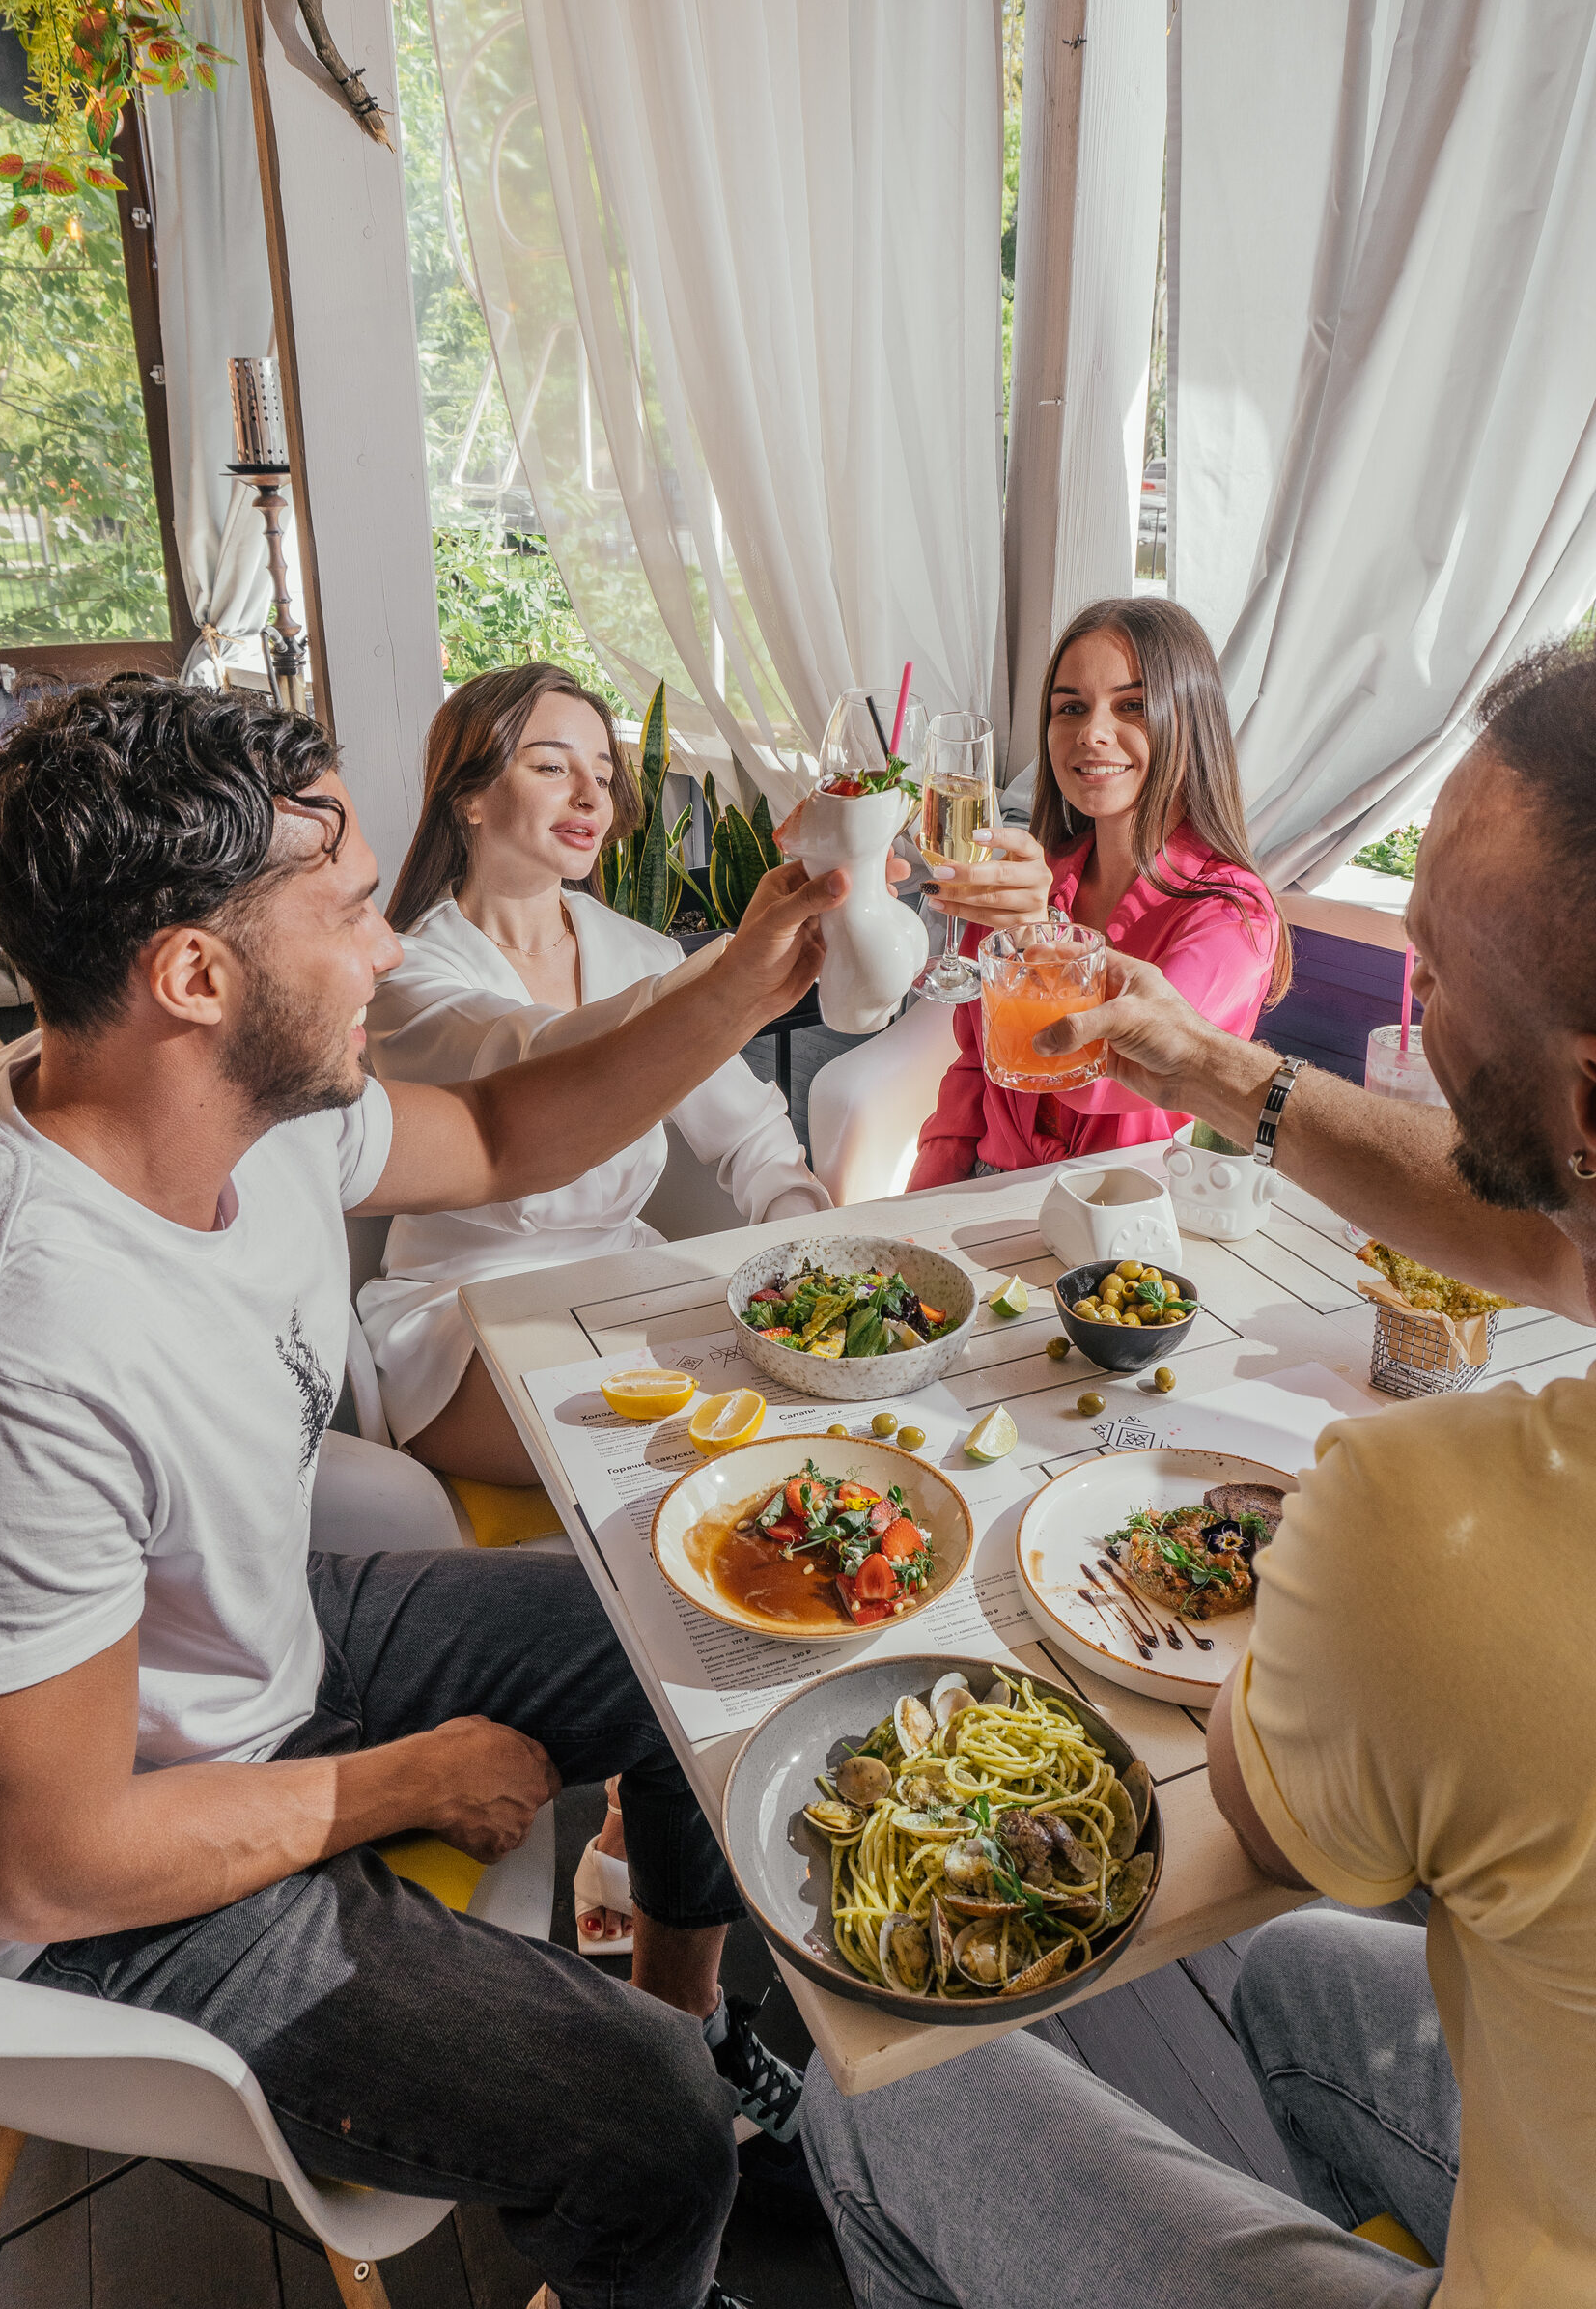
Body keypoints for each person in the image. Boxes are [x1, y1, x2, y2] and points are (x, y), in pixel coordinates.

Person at [0, 682, 848, 2309]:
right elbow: (56, 1864)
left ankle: (688, 2025)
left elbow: (509, 1128)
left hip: (251, 1664)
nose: (389, 947)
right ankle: (668, 2138)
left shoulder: (252, 1099)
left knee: (693, 1625)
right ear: (193, 973)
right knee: (653, 2136)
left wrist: (740, 979)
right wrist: (402, 1782)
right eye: (355, 907)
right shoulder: (31, 1327)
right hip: (108, 1879)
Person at [802, 634, 1596, 2305]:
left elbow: (1267, 1808)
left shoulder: (1433, 1519)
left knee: (876, 2094)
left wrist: (1308, 1632)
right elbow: (1546, 1234)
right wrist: (1205, 1066)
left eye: (1437, 973)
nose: (1412, 1003)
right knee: (1305, 1983)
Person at [359, 662, 830, 1493]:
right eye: (551, 767)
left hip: (623, 1280)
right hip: (462, 1311)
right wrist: (712, 987)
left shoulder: (641, 954)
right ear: (468, 796)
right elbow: (535, 1058)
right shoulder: (409, 979)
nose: (590, 795)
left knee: (799, 1407)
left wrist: (810, 1255)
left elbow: (750, 1134)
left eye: (604, 776)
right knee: (661, 1461)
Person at [908, 597, 1288, 1187]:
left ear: (1191, 719)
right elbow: (974, 1068)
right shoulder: (1036, 879)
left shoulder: (1232, 916)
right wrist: (916, 1216)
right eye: (1071, 708)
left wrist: (1039, 936)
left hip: (1125, 1223)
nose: (1092, 733)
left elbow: (1098, 1078)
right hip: (987, 1194)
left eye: (1131, 705)